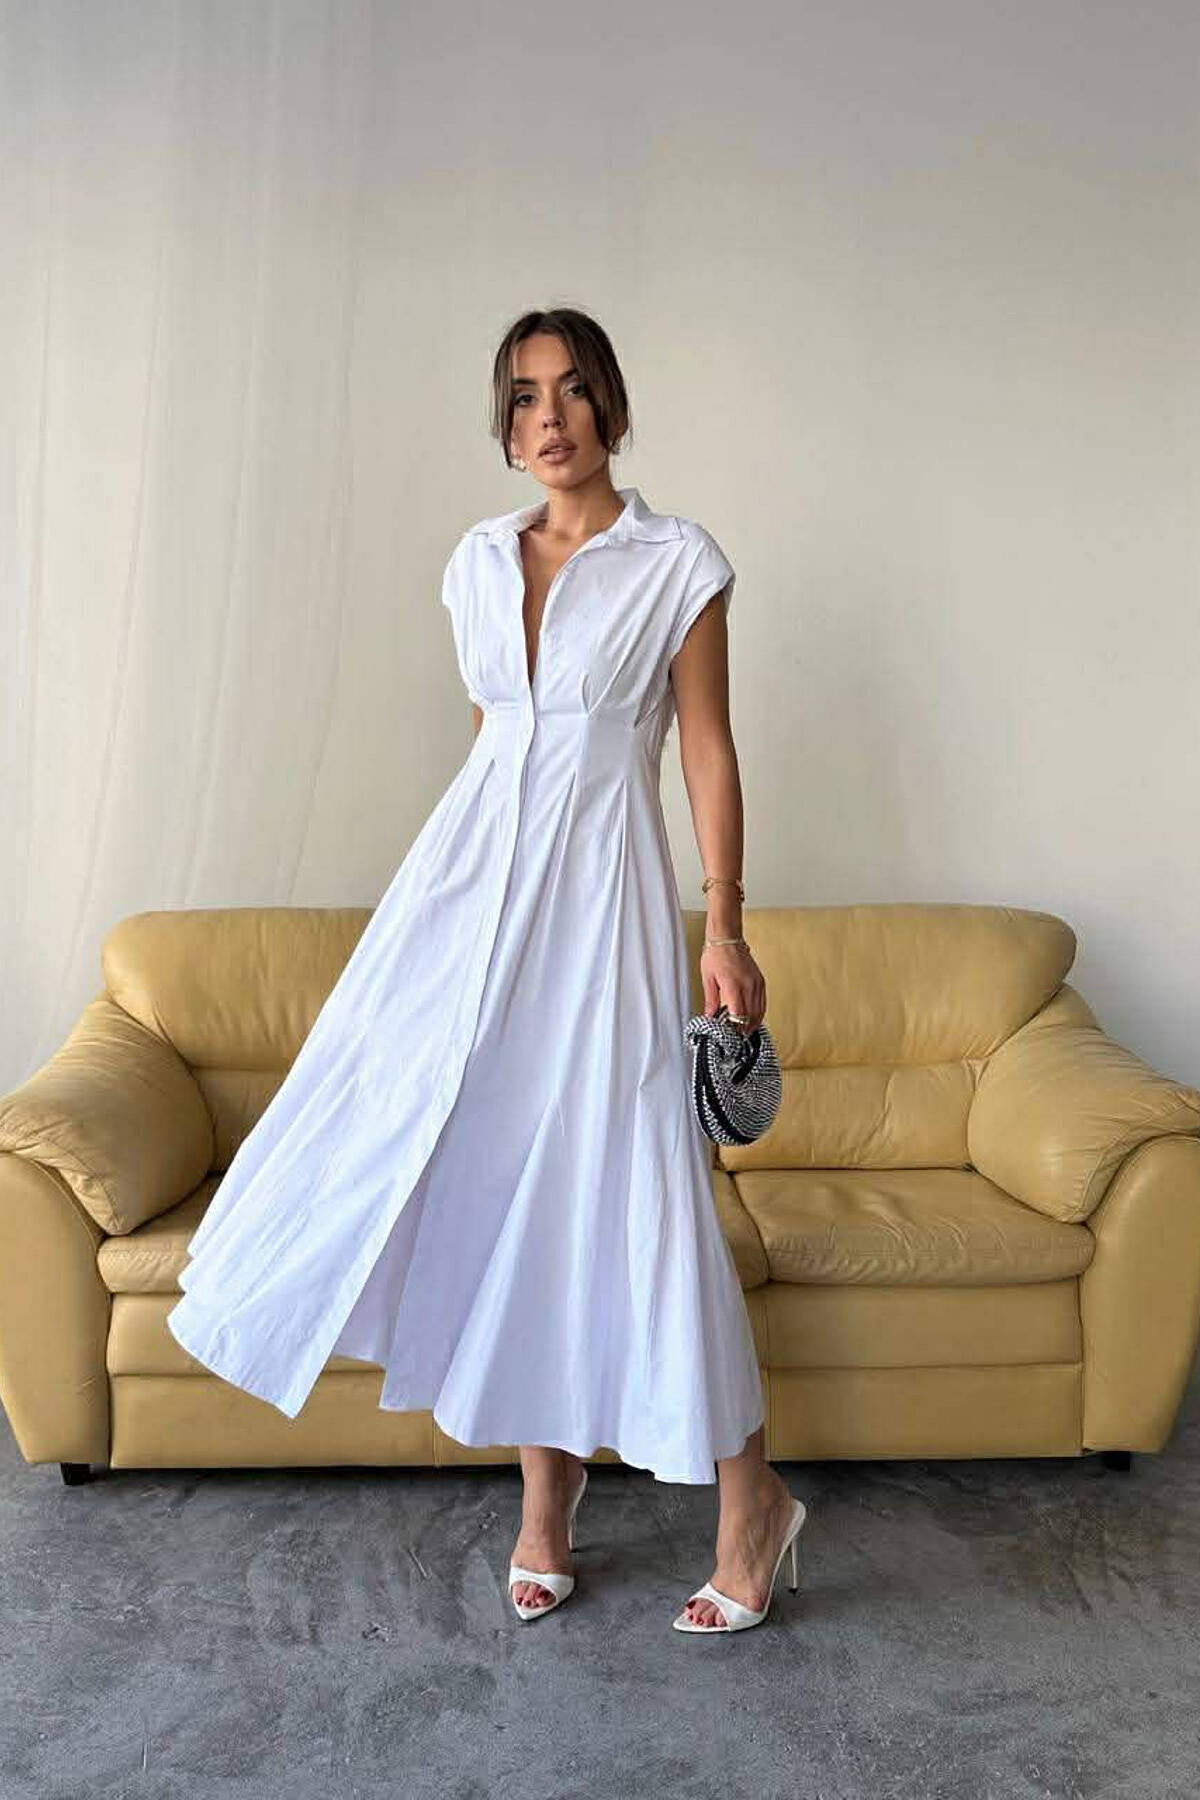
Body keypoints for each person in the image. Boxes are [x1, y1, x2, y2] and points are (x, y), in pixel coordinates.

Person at [166, 305, 805, 1634]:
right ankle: (545, 1500)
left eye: (570, 391)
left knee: (639, 1185)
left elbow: (705, 748)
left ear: (610, 406)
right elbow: (496, 745)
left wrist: (725, 923)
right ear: (506, 425)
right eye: (523, 397)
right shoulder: (471, 563)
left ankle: (753, 1509)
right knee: (499, 1175)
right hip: (465, 902)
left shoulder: (676, 562)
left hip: (605, 907)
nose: (548, 417)